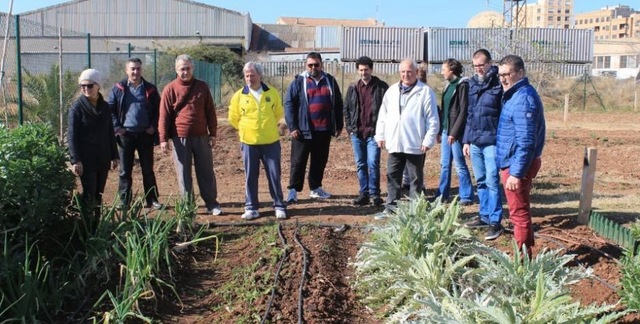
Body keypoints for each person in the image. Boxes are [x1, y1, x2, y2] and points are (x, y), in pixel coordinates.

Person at [158, 54, 222, 215]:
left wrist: (213, 133)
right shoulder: (170, 89)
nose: (185, 72)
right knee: (183, 173)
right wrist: (163, 139)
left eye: (187, 68)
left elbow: (210, 112)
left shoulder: (202, 87)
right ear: (176, 70)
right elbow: (164, 116)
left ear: (192, 68)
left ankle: (211, 203)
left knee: (206, 171)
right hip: (180, 138)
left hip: (201, 136)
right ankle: (188, 206)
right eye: (182, 69)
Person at [375, 58, 439, 216]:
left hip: (415, 144)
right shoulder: (391, 91)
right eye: (403, 72)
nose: (406, 74)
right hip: (395, 142)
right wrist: (380, 135)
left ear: (416, 72)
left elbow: (433, 119)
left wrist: (428, 140)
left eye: (409, 71)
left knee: (415, 180)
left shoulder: (425, 92)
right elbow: (383, 115)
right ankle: (391, 209)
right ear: (399, 73)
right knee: (392, 176)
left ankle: (414, 212)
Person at [496, 54, 546, 256]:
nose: (503, 79)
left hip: (516, 164)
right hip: (512, 161)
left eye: (507, 74)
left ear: (520, 73)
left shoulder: (523, 99)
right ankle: (525, 251)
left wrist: (516, 173)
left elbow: (526, 142)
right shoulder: (514, 95)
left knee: (519, 212)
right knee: (519, 210)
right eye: (500, 75)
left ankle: (522, 258)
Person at [228, 62, 287, 220]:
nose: (249, 78)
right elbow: (233, 118)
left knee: (274, 174)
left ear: (260, 75)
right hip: (248, 142)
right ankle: (251, 207)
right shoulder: (239, 95)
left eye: (252, 75)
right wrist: (246, 129)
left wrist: (267, 127)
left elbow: (278, 113)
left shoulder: (272, 93)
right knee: (250, 176)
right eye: (246, 75)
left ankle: (279, 205)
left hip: (270, 142)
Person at [284, 52, 343, 203]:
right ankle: (293, 191)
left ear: (322, 64)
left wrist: (338, 124)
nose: (313, 68)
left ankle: (315, 188)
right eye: (310, 65)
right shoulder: (298, 82)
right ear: (306, 65)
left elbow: (338, 103)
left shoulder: (329, 80)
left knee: (319, 161)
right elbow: (289, 104)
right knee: (298, 161)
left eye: (316, 64)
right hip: (303, 131)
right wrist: (292, 127)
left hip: (323, 130)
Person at [108, 57, 163, 210]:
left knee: (148, 169)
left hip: (145, 135)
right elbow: (110, 110)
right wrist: (118, 127)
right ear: (127, 70)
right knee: (125, 171)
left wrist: (153, 126)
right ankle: (124, 201)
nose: (135, 72)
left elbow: (159, 110)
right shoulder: (118, 89)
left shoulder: (150, 89)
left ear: (141, 70)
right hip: (126, 136)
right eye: (132, 68)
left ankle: (152, 200)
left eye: (138, 68)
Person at [462, 49, 504, 241]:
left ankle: (495, 221)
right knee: (480, 180)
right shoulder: (472, 84)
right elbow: (470, 114)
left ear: (489, 64)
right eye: (475, 65)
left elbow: (503, 114)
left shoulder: (498, 83)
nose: (478, 69)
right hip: (476, 141)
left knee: (492, 180)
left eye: (481, 65)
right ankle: (484, 215)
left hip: (492, 141)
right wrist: (467, 140)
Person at [68, 68, 118, 215]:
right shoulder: (77, 108)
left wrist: (114, 155)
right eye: (82, 86)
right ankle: (86, 228)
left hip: (102, 157)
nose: (86, 89)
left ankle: (96, 228)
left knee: (99, 194)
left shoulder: (105, 107)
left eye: (90, 85)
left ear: (98, 86)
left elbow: (110, 132)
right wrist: (75, 160)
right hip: (86, 159)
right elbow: (72, 135)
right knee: (89, 194)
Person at [344, 56, 389, 207]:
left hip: (374, 134)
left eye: (366, 69)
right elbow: (347, 109)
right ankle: (363, 194)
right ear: (358, 71)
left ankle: (375, 194)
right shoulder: (353, 87)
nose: (364, 72)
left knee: (373, 163)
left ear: (371, 69)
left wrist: (383, 131)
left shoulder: (381, 87)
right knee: (360, 164)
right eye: (361, 70)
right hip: (357, 133)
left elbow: (388, 109)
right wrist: (350, 128)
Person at [434, 58, 474, 205]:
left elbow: (463, 111)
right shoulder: (447, 86)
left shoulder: (462, 85)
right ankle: (441, 196)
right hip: (445, 131)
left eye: (444, 69)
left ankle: (466, 196)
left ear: (451, 70)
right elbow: (444, 111)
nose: (442, 72)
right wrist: (440, 130)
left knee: (459, 163)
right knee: (445, 164)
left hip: (455, 133)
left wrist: (454, 133)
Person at [402, 62, 429, 191]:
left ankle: (416, 184)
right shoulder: (405, 88)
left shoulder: (425, 90)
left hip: (419, 133)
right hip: (407, 131)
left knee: (417, 162)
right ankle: (407, 181)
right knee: (409, 159)